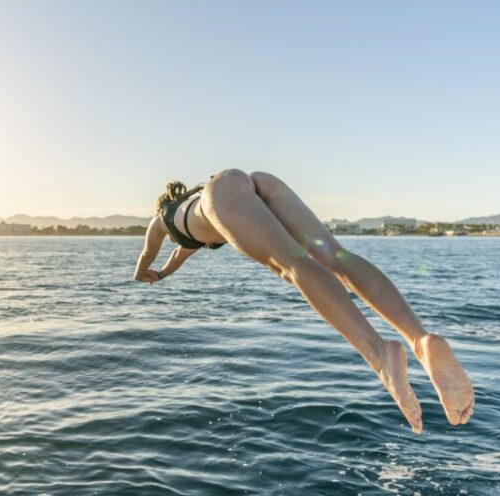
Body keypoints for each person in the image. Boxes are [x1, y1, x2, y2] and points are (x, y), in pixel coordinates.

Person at [133, 169, 474, 434]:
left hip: (221, 196)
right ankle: (420, 338)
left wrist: (141, 272)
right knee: (336, 255)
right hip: (254, 182)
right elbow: (180, 255)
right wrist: (162, 275)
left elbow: (149, 250)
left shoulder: (161, 221)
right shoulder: (189, 220)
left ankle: (379, 354)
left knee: (294, 266)